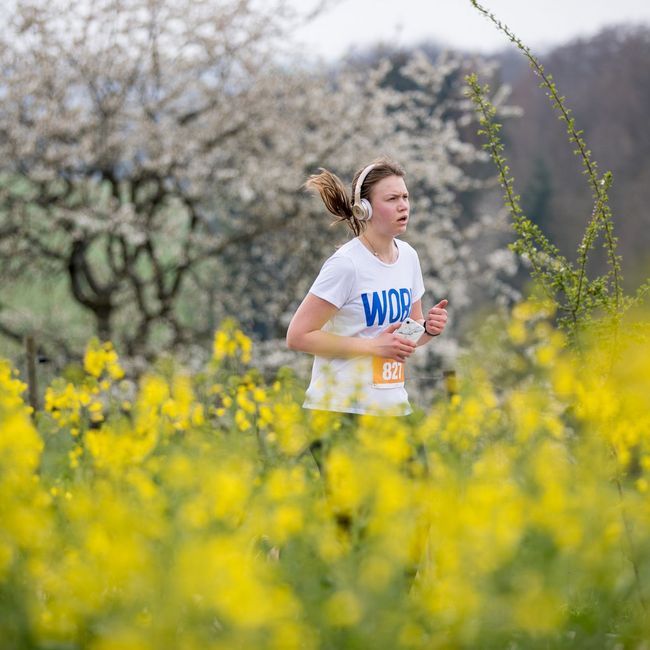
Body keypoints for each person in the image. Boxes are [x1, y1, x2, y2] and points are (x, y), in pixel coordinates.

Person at [286, 157, 448, 417]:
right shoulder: (346, 265)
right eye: (391, 199)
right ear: (365, 209)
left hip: (392, 410)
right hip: (338, 411)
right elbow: (298, 336)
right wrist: (374, 347)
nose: (403, 206)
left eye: (405, 197)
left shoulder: (408, 257)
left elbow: (406, 337)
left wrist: (428, 329)